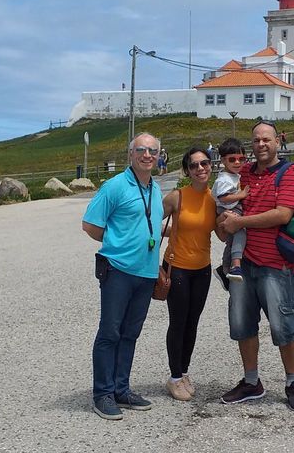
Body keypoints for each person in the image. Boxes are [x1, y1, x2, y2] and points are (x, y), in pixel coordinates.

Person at [219, 119, 294, 411]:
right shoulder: (244, 172)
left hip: (275, 263)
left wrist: (239, 223)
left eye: (266, 139)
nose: (261, 145)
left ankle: (292, 383)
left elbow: (283, 214)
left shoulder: (290, 173)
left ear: (277, 142)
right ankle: (251, 381)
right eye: (256, 140)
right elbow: (228, 204)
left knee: (285, 325)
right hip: (242, 264)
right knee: (243, 325)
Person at [82, 132, 163, 420]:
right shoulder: (114, 186)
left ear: (158, 155)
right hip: (118, 271)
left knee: (130, 334)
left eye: (152, 150)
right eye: (141, 149)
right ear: (131, 154)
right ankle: (102, 394)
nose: (147, 155)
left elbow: (150, 224)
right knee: (110, 333)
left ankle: (121, 389)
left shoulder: (155, 188)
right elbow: (90, 225)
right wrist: (117, 241)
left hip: (146, 272)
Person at [161, 147, 226, 401]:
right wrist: (168, 236)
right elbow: (150, 219)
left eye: (205, 164)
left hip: (202, 270)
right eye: (194, 165)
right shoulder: (177, 197)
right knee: (178, 322)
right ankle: (174, 378)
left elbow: (220, 234)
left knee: (192, 323)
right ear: (187, 170)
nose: (201, 169)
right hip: (177, 268)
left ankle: (184, 372)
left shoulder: (215, 198)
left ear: (211, 166)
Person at [211, 138, 250, 284]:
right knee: (240, 233)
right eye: (232, 159)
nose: (237, 162)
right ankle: (236, 265)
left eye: (242, 159)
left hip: (232, 207)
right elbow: (223, 197)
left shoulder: (234, 175)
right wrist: (241, 195)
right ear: (223, 160)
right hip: (228, 208)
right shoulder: (224, 179)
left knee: (232, 241)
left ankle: (225, 268)